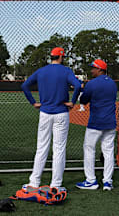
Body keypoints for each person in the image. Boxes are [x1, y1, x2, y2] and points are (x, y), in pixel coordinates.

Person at [21, 47, 82, 190]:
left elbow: (25, 85)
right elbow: (78, 85)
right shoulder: (66, 71)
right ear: (61, 57)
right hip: (61, 112)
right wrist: (72, 102)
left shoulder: (41, 71)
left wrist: (33, 102)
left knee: (41, 148)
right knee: (59, 149)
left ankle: (34, 182)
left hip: (45, 113)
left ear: (52, 56)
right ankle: (56, 184)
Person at [76, 59, 117, 192]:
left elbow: (83, 100)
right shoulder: (112, 83)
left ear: (100, 69)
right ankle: (108, 182)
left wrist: (80, 90)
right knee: (108, 151)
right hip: (110, 122)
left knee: (89, 149)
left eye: (94, 68)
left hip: (96, 122)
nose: (92, 70)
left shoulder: (92, 83)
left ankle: (91, 181)